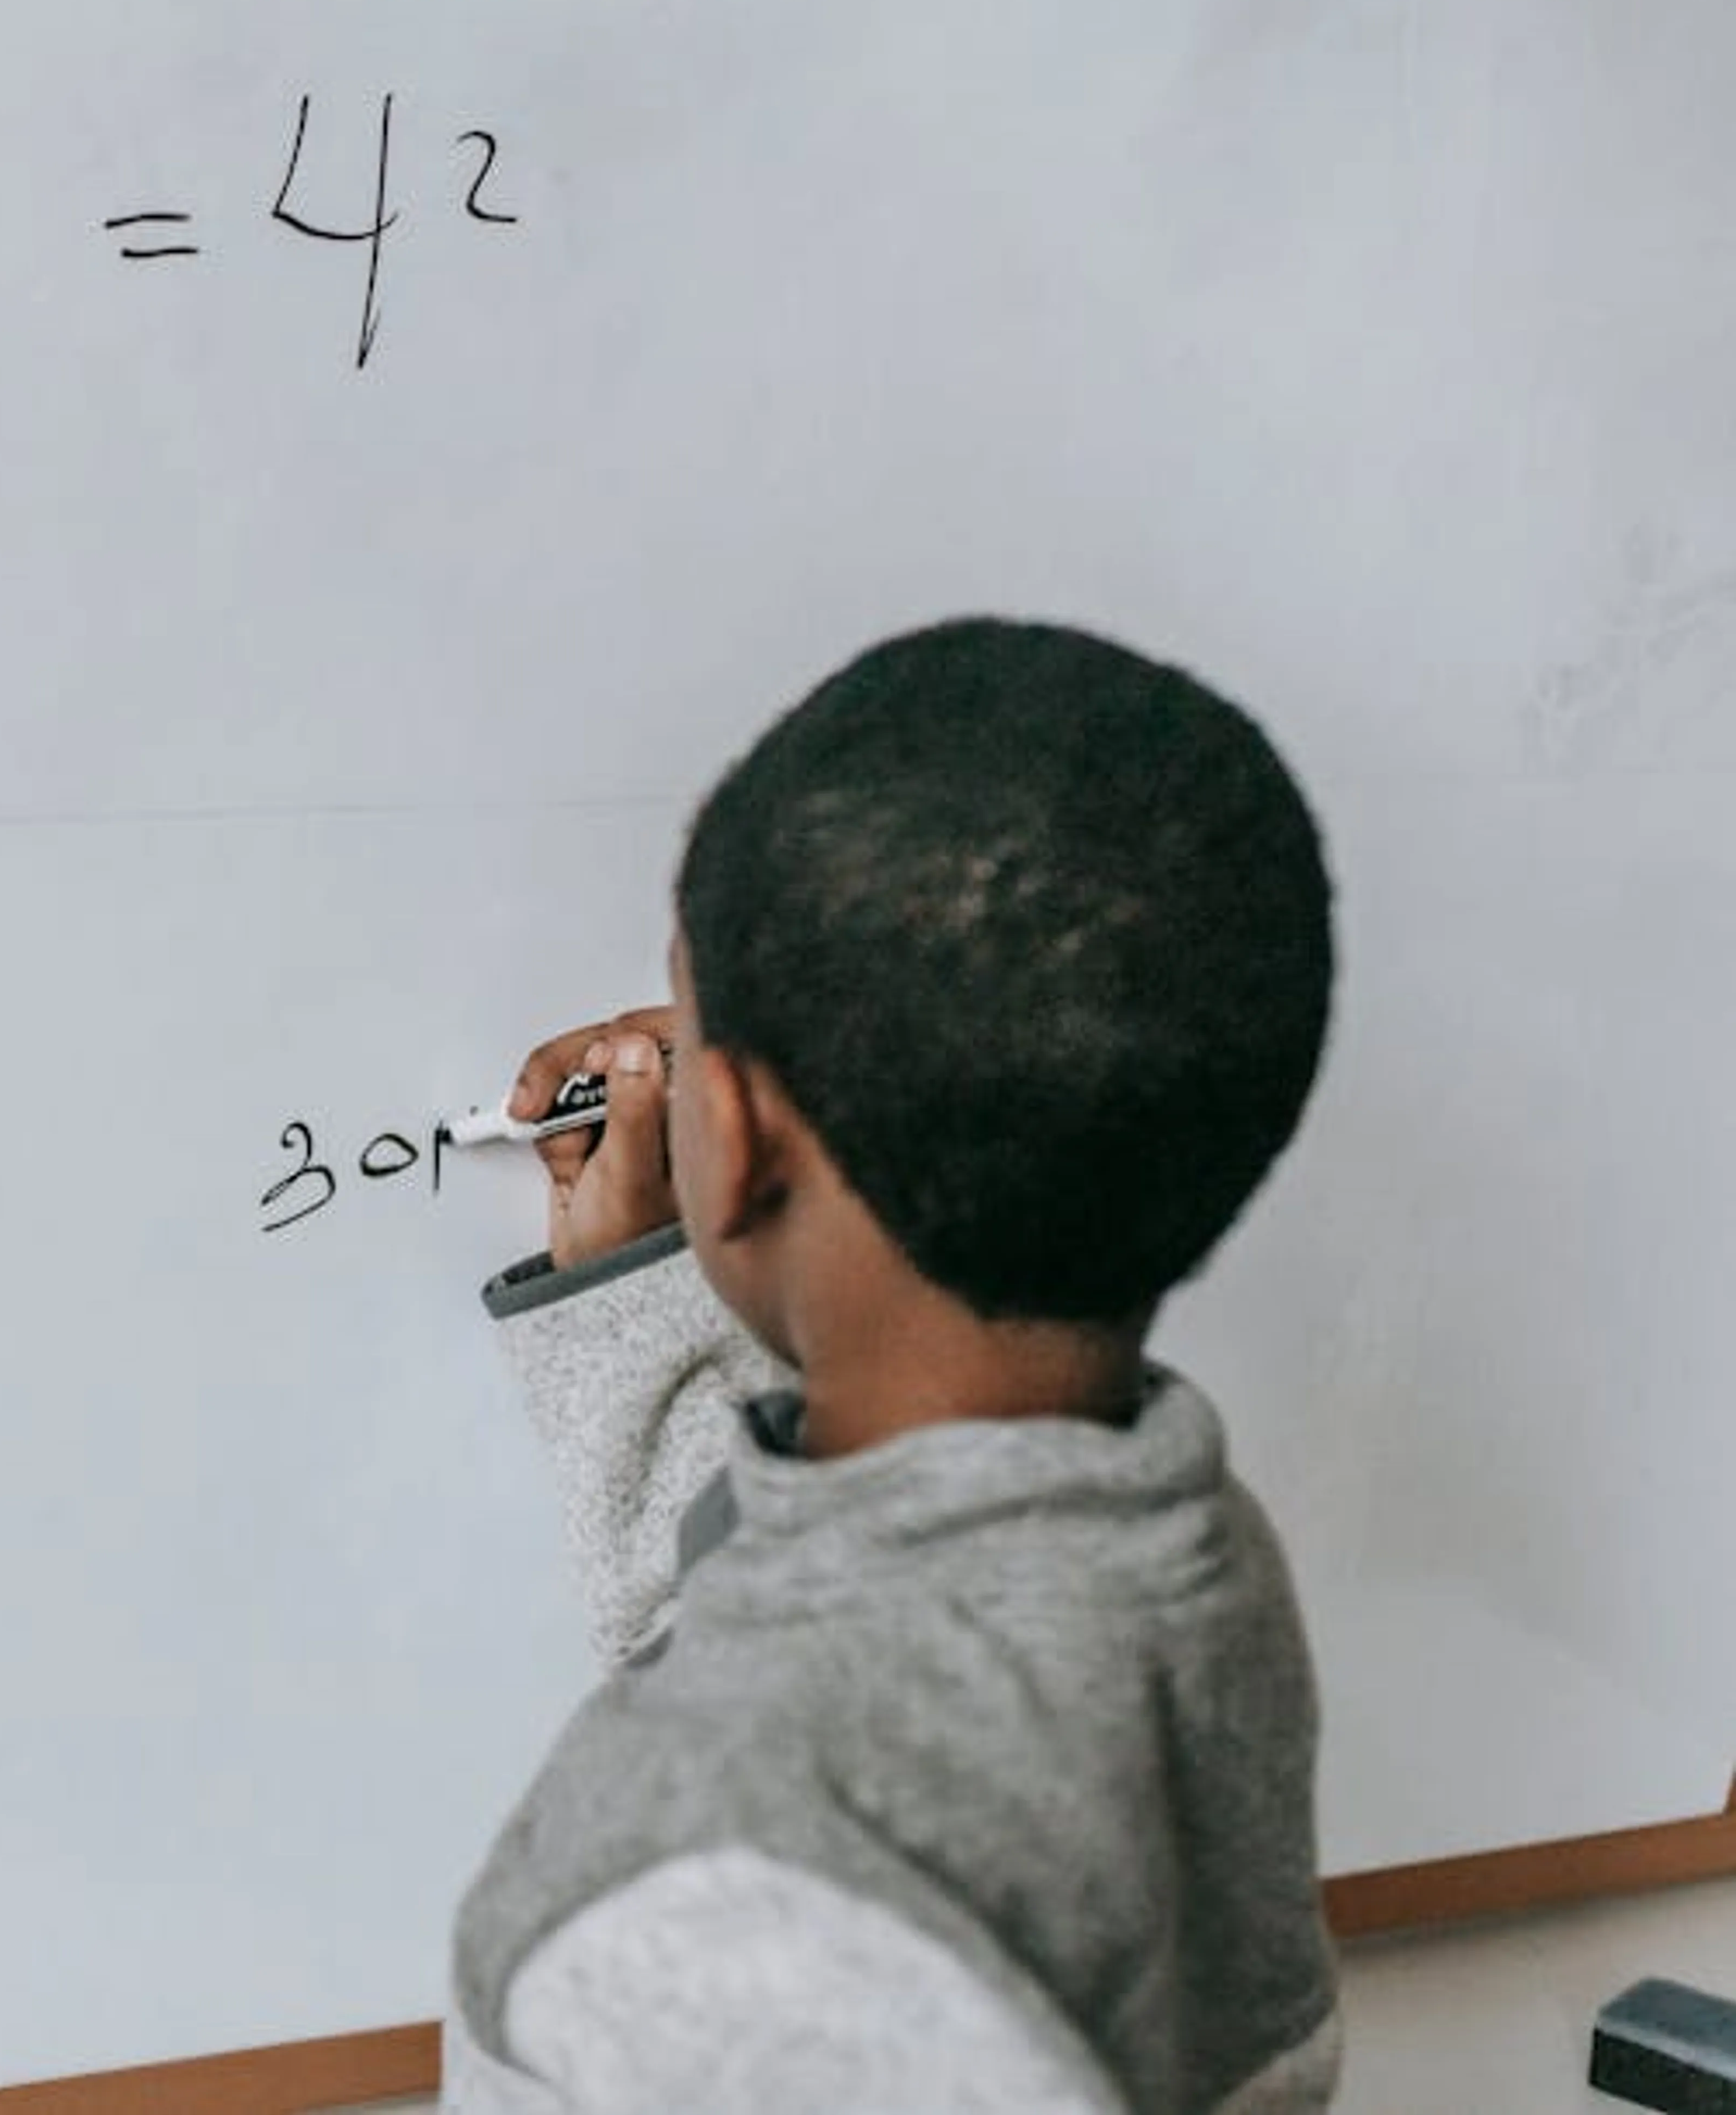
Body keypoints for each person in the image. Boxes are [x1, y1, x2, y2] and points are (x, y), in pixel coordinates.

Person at [444, 619, 1341, 2114]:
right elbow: (792, 1622)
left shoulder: (703, 1898)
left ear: (730, 1141)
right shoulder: (1175, 1559)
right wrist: (643, 1286)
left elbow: (783, 1741)